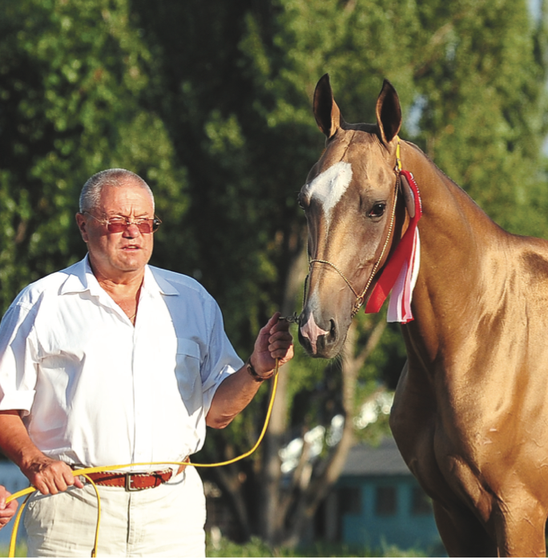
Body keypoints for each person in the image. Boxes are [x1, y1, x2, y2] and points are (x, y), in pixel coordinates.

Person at [0, 168, 294, 557]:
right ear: (83, 226)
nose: (133, 232)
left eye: (144, 222)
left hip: (172, 512)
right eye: (117, 221)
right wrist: (34, 462)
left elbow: (217, 413)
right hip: (72, 509)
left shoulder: (193, 301)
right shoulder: (40, 304)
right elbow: (4, 407)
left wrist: (257, 369)